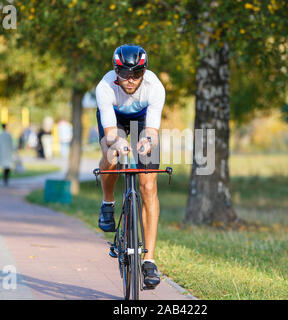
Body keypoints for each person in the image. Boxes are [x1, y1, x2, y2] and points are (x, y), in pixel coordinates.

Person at [95, 44, 165, 288]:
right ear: (116, 71)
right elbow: (111, 133)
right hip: (114, 120)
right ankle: (107, 201)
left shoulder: (155, 87)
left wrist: (146, 141)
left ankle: (149, 260)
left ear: (144, 72)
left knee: (148, 186)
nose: (131, 79)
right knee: (112, 154)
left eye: (137, 73)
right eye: (124, 73)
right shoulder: (105, 87)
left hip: (144, 120)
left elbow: (153, 131)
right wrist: (119, 141)